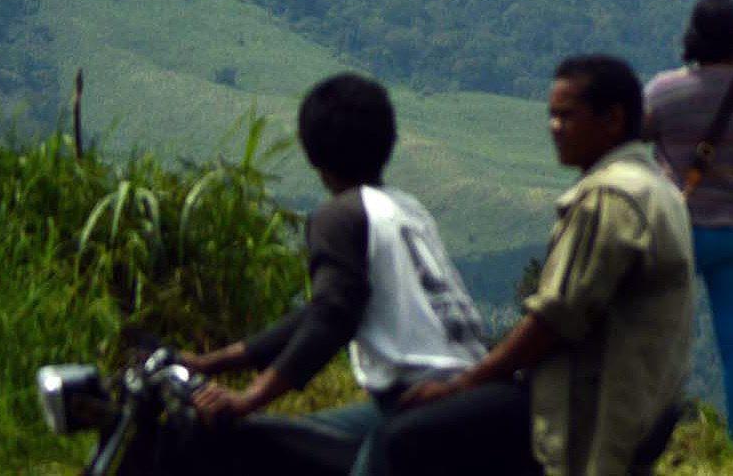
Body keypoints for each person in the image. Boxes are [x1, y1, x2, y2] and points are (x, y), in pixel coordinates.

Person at [384, 55, 695, 476]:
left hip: (588, 403)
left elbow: (553, 320)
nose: (555, 128)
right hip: (649, 400)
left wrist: (463, 385)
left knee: (406, 439)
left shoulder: (609, 197)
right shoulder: (657, 188)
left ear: (613, 118)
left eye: (568, 116)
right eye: (552, 115)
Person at [170, 73, 492, 473]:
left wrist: (249, 398)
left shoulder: (338, 216)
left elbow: (333, 317)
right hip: (472, 391)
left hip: (425, 405)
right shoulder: (407, 209)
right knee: (293, 440)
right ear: (387, 141)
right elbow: (322, 309)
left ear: (312, 153)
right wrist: (211, 362)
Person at [642, 0, 733, 453]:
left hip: (680, 230)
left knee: (661, 341)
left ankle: (648, 442)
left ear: (691, 39)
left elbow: (635, 140)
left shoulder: (662, 92)